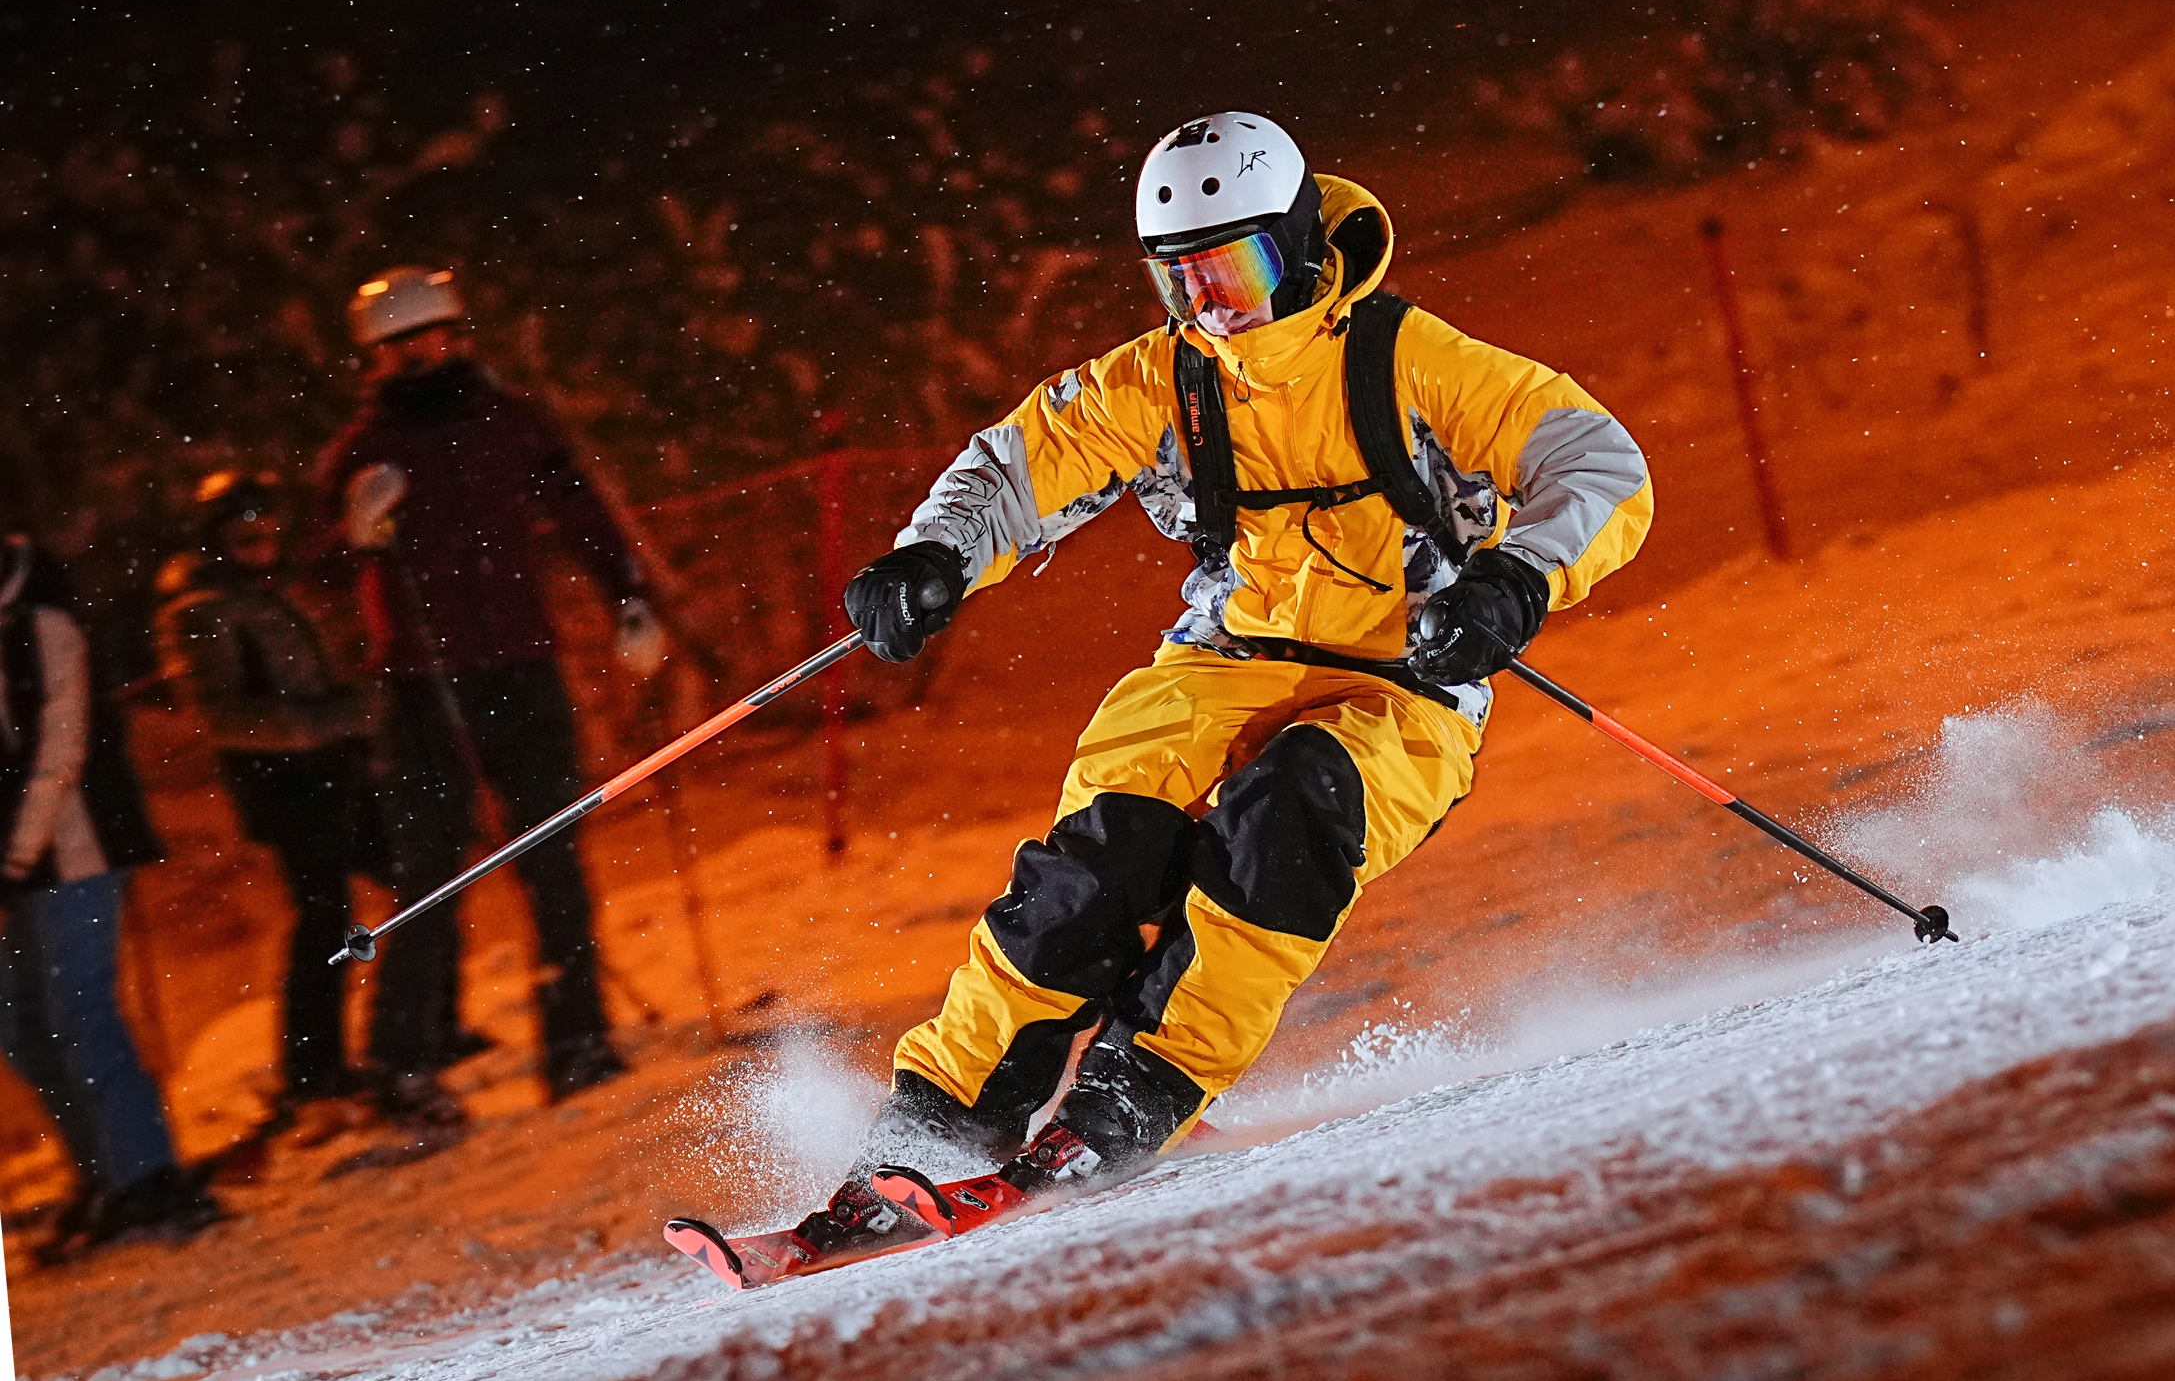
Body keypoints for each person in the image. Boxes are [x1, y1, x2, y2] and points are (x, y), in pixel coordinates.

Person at [678, 112, 1652, 1284]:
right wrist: (931, 556)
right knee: (1098, 856)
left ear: (1297, 248)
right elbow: (1022, 460)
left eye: (1234, 267)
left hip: (1403, 679)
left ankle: (1135, 1090)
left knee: (1285, 815)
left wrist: (1511, 579)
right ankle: (941, 1120)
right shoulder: (1166, 377)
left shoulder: (1406, 359)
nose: (1213, 301)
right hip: (1223, 656)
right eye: (1181, 275)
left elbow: (1596, 460)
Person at [315, 266, 669, 1112]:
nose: (428, 354)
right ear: (377, 356)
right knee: (428, 870)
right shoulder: (363, 452)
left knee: (554, 853)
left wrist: (629, 596)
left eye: (439, 335)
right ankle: (403, 1061)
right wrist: (354, 535)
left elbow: (582, 508)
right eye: (405, 345)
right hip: (421, 685)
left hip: (521, 664)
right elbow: (317, 570)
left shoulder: (509, 422)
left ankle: (578, 1037)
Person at [0, 530, 222, 1256]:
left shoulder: (43, 625)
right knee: (23, 1021)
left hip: (76, 844)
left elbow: (60, 746)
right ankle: (102, 1171)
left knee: (80, 1012)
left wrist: (18, 850)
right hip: (26, 856)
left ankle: (150, 1175)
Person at [156, 471, 385, 1115]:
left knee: (414, 877)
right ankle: (313, 1067)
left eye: (269, 533)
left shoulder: (276, 592)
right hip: (284, 784)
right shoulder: (200, 610)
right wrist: (335, 717)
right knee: (325, 917)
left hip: (335, 770)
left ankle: (414, 1027)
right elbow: (219, 715)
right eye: (245, 535)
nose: (261, 545)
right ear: (217, 540)